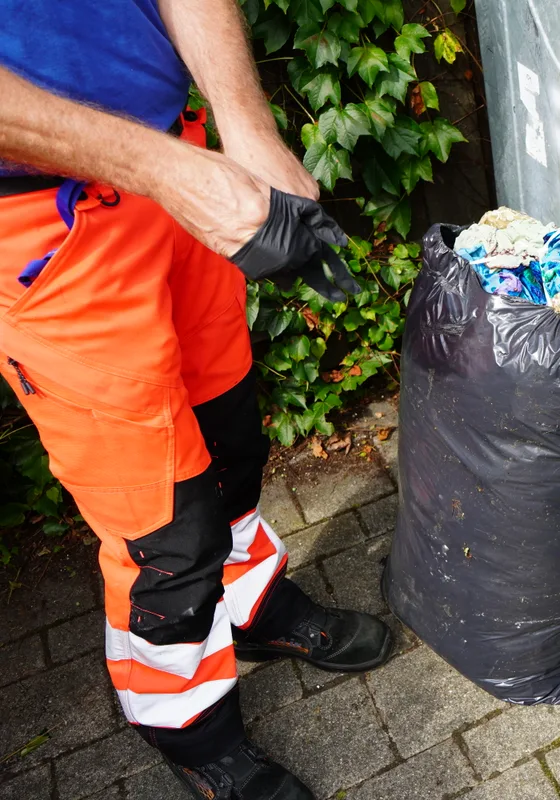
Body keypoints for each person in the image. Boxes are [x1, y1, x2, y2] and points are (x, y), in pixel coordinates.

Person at [0, 3, 395, 798]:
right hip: (39, 224)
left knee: (230, 438)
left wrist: (247, 128)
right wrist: (165, 172)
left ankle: (248, 605)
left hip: (178, 164)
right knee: (162, 529)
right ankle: (186, 725)